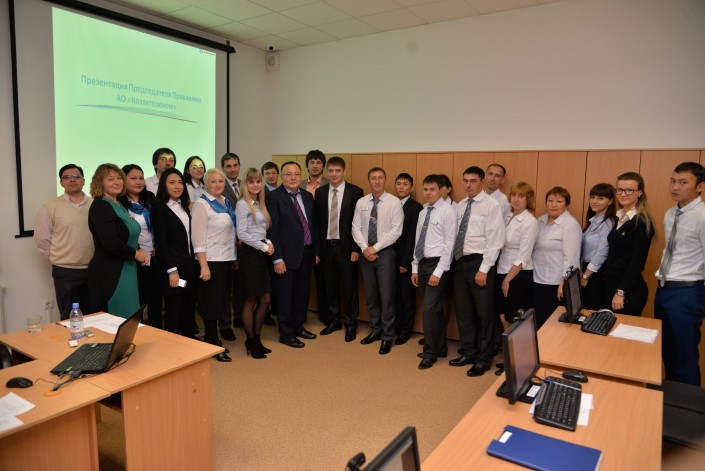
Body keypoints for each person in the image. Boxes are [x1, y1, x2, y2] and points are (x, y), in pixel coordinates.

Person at [451, 166, 505, 377]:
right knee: (463, 312)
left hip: (480, 263)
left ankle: (484, 359)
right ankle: (469, 352)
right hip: (460, 262)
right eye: (465, 180)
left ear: (482, 182)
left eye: (473, 181)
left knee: (484, 314)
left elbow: (495, 240)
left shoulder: (491, 205)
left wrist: (483, 269)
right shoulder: (460, 205)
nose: (468, 185)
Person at [654, 162, 705, 385]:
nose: (675, 187)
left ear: (700, 186)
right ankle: (671, 400)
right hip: (664, 288)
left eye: (683, 182)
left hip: (687, 292)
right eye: (673, 181)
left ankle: (689, 404)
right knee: (666, 351)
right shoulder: (670, 213)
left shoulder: (702, 215)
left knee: (684, 357)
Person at [266, 161, 319, 348]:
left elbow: (312, 226)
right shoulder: (273, 197)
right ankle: (286, 333)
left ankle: (298, 327)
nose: (293, 177)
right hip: (285, 257)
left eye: (296, 174)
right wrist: (277, 258)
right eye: (288, 174)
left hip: (306, 253)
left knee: (301, 294)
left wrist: (316, 252)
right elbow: (272, 231)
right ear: (282, 177)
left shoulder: (307, 196)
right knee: (285, 296)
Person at [352, 167, 403, 354]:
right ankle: (375, 330)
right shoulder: (361, 202)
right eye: (373, 178)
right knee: (371, 295)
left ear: (385, 180)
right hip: (366, 253)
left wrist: (375, 248)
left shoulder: (394, 202)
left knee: (387, 296)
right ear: (369, 181)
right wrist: (365, 248)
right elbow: (355, 228)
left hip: (385, 254)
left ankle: (387, 336)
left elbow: (396, 230)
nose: (377, 181)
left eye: (380, 177)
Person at [34, 164, 94, 320]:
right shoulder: (50, 207)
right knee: (69, 317)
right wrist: (58, 258)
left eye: (76, 176)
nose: (72, 180)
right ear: (61, 182)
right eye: (66, 177)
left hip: (94, 269)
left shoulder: (95, 204)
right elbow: (42, 239)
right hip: (66, 272)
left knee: (94, 315)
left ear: (83, 180)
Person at [87, 164, 147, 318]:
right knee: (115, 319)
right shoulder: (101, 205)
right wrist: (135, 254)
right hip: (110, 272)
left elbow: (128, 234)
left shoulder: (118, 204)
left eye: (119, 178)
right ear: (100, 183)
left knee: (129, 317)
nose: (117, 182)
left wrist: (139, 250)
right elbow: (110, 242)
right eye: (110, 179)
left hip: (127, 268)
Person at [315, 157, 363, 340]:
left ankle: (351, 323)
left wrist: (356, 249)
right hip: (327, 248)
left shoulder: (355, 192)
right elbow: (318, 224)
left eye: (337, 171)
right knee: (330, 287)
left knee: (349, 287)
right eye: (331, 171)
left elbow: (359, 224)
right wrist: (317, 251)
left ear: (344, 172)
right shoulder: (320, 193)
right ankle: (334, 320)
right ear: (327, 172)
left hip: (347, 248)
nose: (334, 174)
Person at [413, 175, 458, 370]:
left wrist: (438, 272)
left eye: (432, 189)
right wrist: (415, 266)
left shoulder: (448, 211)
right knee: (435, 309)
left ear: (441, 190)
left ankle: (430, 353)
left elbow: (450, 244)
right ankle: (440, 348)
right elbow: (418, 240)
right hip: (422, 264)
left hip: (438, 266)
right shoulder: (424, 211)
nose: (428, 193)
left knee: (429, 310)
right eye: (425, 189)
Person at [192, 168, 237, 362]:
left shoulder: (225, 202)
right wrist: (204, 266)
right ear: (206, 184)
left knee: (221, 301)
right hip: (210, 261)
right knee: (210, 303)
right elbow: (197, 239)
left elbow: (230, 233)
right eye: (213, 181)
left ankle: (212, 338)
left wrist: (233, 258)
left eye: (221, 181)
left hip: (225, 259)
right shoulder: (202, 205)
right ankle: (213, 342)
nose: (218, 185)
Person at [601, 172, 655, 315]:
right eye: (619, 189)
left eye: (629, 190)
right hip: (612, 287)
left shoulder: (641, 222)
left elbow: (637, 263)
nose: (623, 194)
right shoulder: (620, 217)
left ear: (639, 193)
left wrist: (621, 291)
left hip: (627, 293)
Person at [151, 168, 196, 338]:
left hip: (187, 267)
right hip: (173, 270)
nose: (177, 186)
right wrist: (172, 270)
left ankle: (189, 342)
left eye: (180, 182)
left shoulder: (182, 206)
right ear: (164, 185)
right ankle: (171, 346)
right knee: (174, 309)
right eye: (172, 182)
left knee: (187, 306)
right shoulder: (159, 208)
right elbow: (161, 243)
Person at [236, 168, 275, 359]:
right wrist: (263, 246)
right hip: (250, 255)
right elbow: (242, 234)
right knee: (251, 299)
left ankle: (256, 339)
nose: (255, 185)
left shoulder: (260, 203)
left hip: (260, 254)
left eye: (258, 181)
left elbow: (260, 230)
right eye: (251, 182)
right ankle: (251, 341)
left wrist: (268, 242)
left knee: (265, 298)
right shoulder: (243, 204)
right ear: (245, 184)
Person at [119, 164, 162, 328]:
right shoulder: (120, 203)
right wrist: (137, 250)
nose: (138, 182)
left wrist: (159, 244)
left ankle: (157, 333)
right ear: (124, 180)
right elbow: (122, 232)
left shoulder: (150, 198)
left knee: (156, 300)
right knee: (138, 301)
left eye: (141, 178)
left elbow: (159, 224)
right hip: (135, 259)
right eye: (133, 178)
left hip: (155, 257)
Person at [531, 187, 582, 327]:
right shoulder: (540, 220)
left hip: (555, 283)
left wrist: (564, 283)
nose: (553, 204)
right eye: (550, 200)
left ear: (566, 205)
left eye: (559, 201)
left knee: (550, 325)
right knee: (537, 322)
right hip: (537, 280)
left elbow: (571, 258)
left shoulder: (570, 225)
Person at [494, 182, 538, 331]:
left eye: (521, 196)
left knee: (511, 318)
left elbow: (523, 257)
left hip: (518, 276)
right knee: (501, 316)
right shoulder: (508, 216)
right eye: (513, 195)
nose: (516, 199)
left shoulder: (530, 222)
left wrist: (507, 279)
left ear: (528, 199)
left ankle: (516, 347)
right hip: (502, 270)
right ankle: (509, 346)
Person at [301, 149, 330, 326]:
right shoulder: (299, 184)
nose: (315, 165)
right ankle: (300, 315)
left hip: (324, 238)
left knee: (323, 279)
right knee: (302, 282)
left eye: (319, 162)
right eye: (312, 162)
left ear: (323, 166)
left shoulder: (329, 184)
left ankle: (324, 314)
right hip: (302, 239)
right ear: (307, 165)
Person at [394, 173, 423, 345]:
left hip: (406, 260)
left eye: (405, 184)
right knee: (394, 296)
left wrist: (406, 262)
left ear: (411, 188)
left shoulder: (416, 208)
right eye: (398, 183)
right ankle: (396, 327)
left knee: (406, 297)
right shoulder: (391, 204)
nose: (401, 187)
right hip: (390, 258)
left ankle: (405, 330)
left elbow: (413, 237)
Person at [580, 183, 616, 310]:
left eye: (600, 198)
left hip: (595, 273)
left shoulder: (607, 223)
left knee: (591, 309)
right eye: (592, 197)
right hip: (586, 269)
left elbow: (602, 252)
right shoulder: (593, 220)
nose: (594, 201)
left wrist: (586, 276)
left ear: (610, 201)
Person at [220, 152, 243, 338]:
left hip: (245, 243)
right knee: (226, 288)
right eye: (228, 166)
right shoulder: (219, 186)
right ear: (223, 168)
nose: (232, 169)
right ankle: (225, 324)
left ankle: (239, 316)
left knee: (241, 284)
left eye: (235, 165)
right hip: (226, 243)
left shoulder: (245, 184)